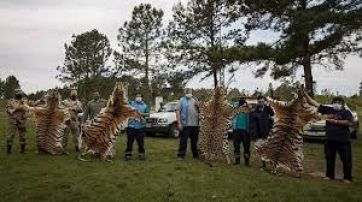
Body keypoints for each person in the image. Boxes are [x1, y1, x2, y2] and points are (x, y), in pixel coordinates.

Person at [306, 95, 353, 183]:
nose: (337, 104)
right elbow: (316, 104)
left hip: (343, 140)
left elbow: (349, 122)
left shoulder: (346, 112)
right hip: (330, 139)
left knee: (346, 159)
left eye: (339, 103)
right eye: (335, 102)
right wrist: (305, 95)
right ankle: (329, 175)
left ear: (342, 104)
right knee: (329, 158)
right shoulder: (328, 110)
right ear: (332, 104)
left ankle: (347, 178)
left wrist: (336, 121)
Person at [250, 95, 274, 169]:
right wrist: (254, 133)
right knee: (260, 149)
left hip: (267, 133)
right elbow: (252, 121)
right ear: (258, 102)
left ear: (264, 102)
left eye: (262, 101)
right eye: (259, 102)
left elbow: (273, 115)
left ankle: (272, 165)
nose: (261, 103)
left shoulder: (268, 109)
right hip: (259, 134)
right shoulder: (255, 110)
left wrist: (270, 124)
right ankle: (263, 165)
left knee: (269, 149)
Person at [176, 88, 200, 160]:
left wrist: (198, 106)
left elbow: (200, 110)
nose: (189, 93)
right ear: (185, 93)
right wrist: (179, 123)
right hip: (185, 124)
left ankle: (195, 155)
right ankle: (181, 155)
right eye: (187, 92)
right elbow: (177, 112)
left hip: (195, 125)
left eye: (190, 92)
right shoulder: (181, 100)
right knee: (183, 141)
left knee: (194, 141)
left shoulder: (195, 100)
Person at [125, 94, 149, 160]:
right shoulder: (131, 103)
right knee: (130, 141)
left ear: (141, 98)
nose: (138, 98)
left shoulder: (145, 105)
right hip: (131, 126)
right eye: (137, 96)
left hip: (141, 126)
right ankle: (128, 154)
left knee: (141, 142)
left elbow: (148, 114)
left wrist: (141, 115)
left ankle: (141, 154)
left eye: (139, 97)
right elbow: (125, 103)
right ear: (135, 98)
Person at [5, 89, 28, 154]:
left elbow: (30, 106)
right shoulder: (11, 101)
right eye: (18, 93)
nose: (19, 94)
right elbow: (9, 110)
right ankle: (9, 151)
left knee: (23, 136)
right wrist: (16, 108)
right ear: (15, 94)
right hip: (13, 121)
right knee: (11, 135)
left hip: (22, 121)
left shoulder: (24, 101)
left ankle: (22, 151)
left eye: (20, 93)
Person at [232, 97, 252, 166]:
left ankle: (246, 162)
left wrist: (248, 106)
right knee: (236, 146)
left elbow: (251, 109)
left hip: (246, 130)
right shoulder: (235, 108)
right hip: (236, 129)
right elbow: (231, 114)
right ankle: (237, 161)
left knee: (246, 147)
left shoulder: (248, 109)